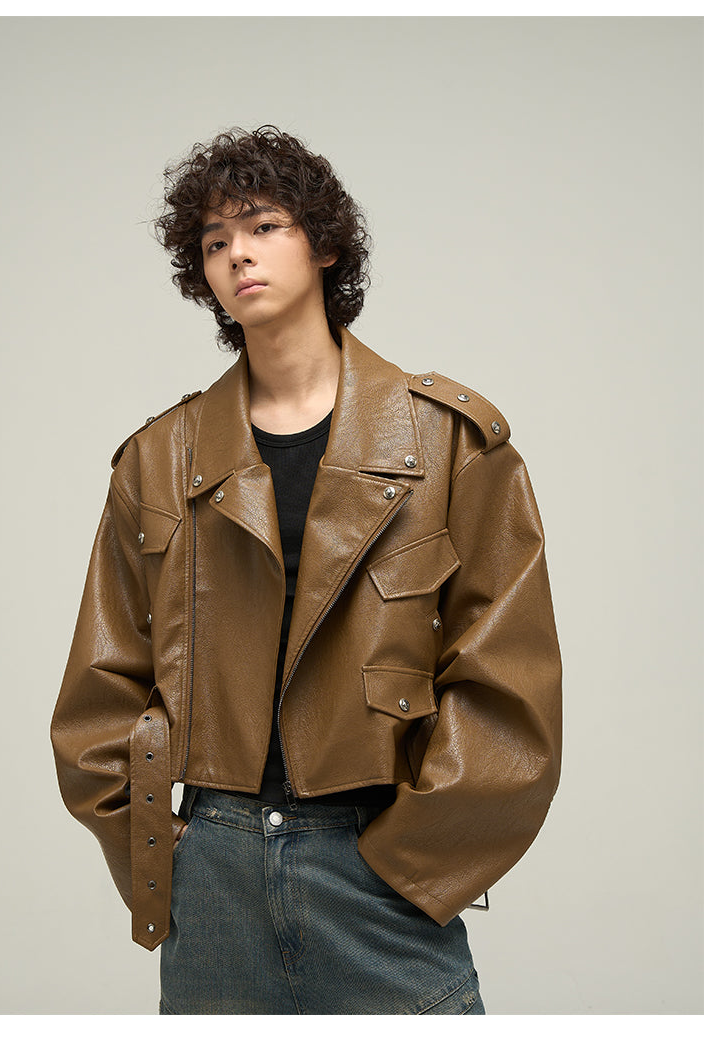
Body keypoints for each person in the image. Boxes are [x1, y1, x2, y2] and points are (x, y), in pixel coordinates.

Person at [51, 125, 562, 1016]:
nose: (237, 254)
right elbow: (99, 691)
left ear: (324, 244)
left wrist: (410, 865)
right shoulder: (157, 460)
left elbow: (508, 687)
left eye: (263, 226)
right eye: (214, 240)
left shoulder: (450, 444)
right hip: (212, 869)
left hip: (377, 866)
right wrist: (166, 853)